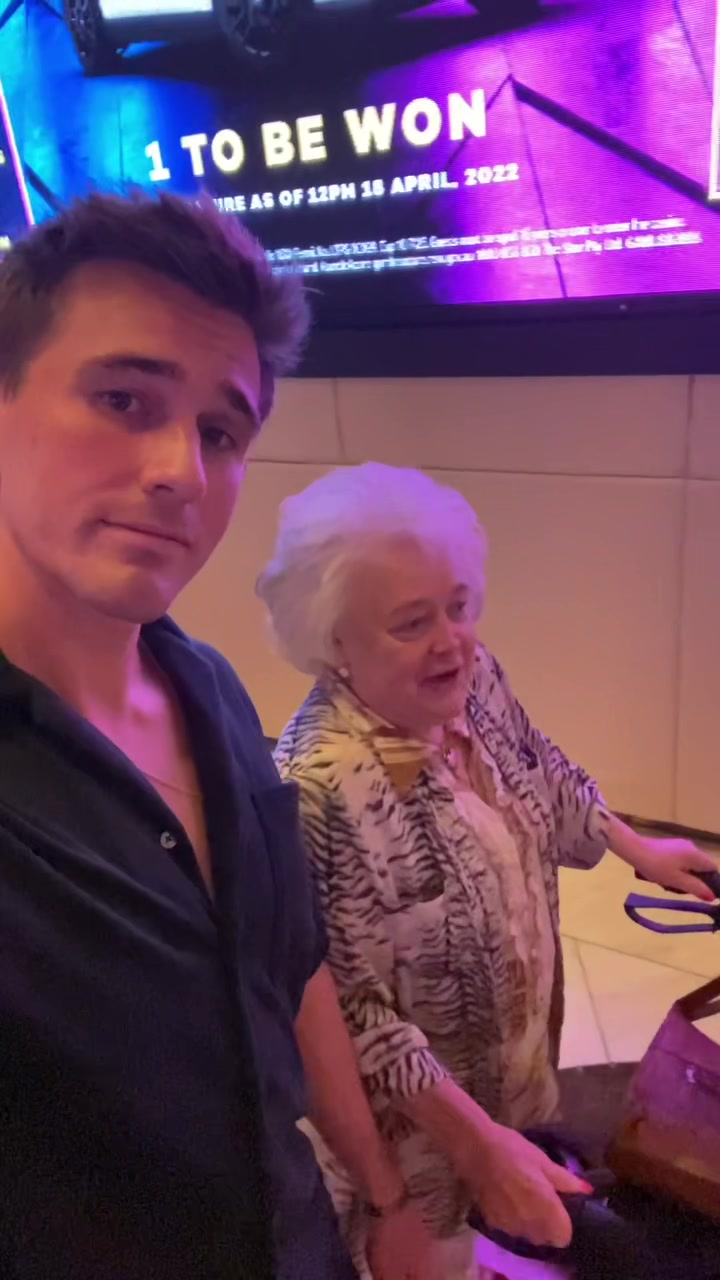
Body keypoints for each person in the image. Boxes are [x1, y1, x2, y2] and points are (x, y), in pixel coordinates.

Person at [0, 195, 440, 1280]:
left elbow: (286, 974)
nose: (181, 471)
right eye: (123, 399)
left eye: (220, 432)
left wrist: (387, 1198)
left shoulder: (214, 694)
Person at [258, 462, 718, 1280]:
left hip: (507, 1064)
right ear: (334, 642)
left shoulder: (472, 678)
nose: (453, 640)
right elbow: (354, 1021)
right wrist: (449, 1164)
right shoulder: (320, 789)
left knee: (522, 1209)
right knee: (429, 1257)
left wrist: (633, 845)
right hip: (417, 1138)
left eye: (460, 604)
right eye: (412, 623)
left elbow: (541, 765)